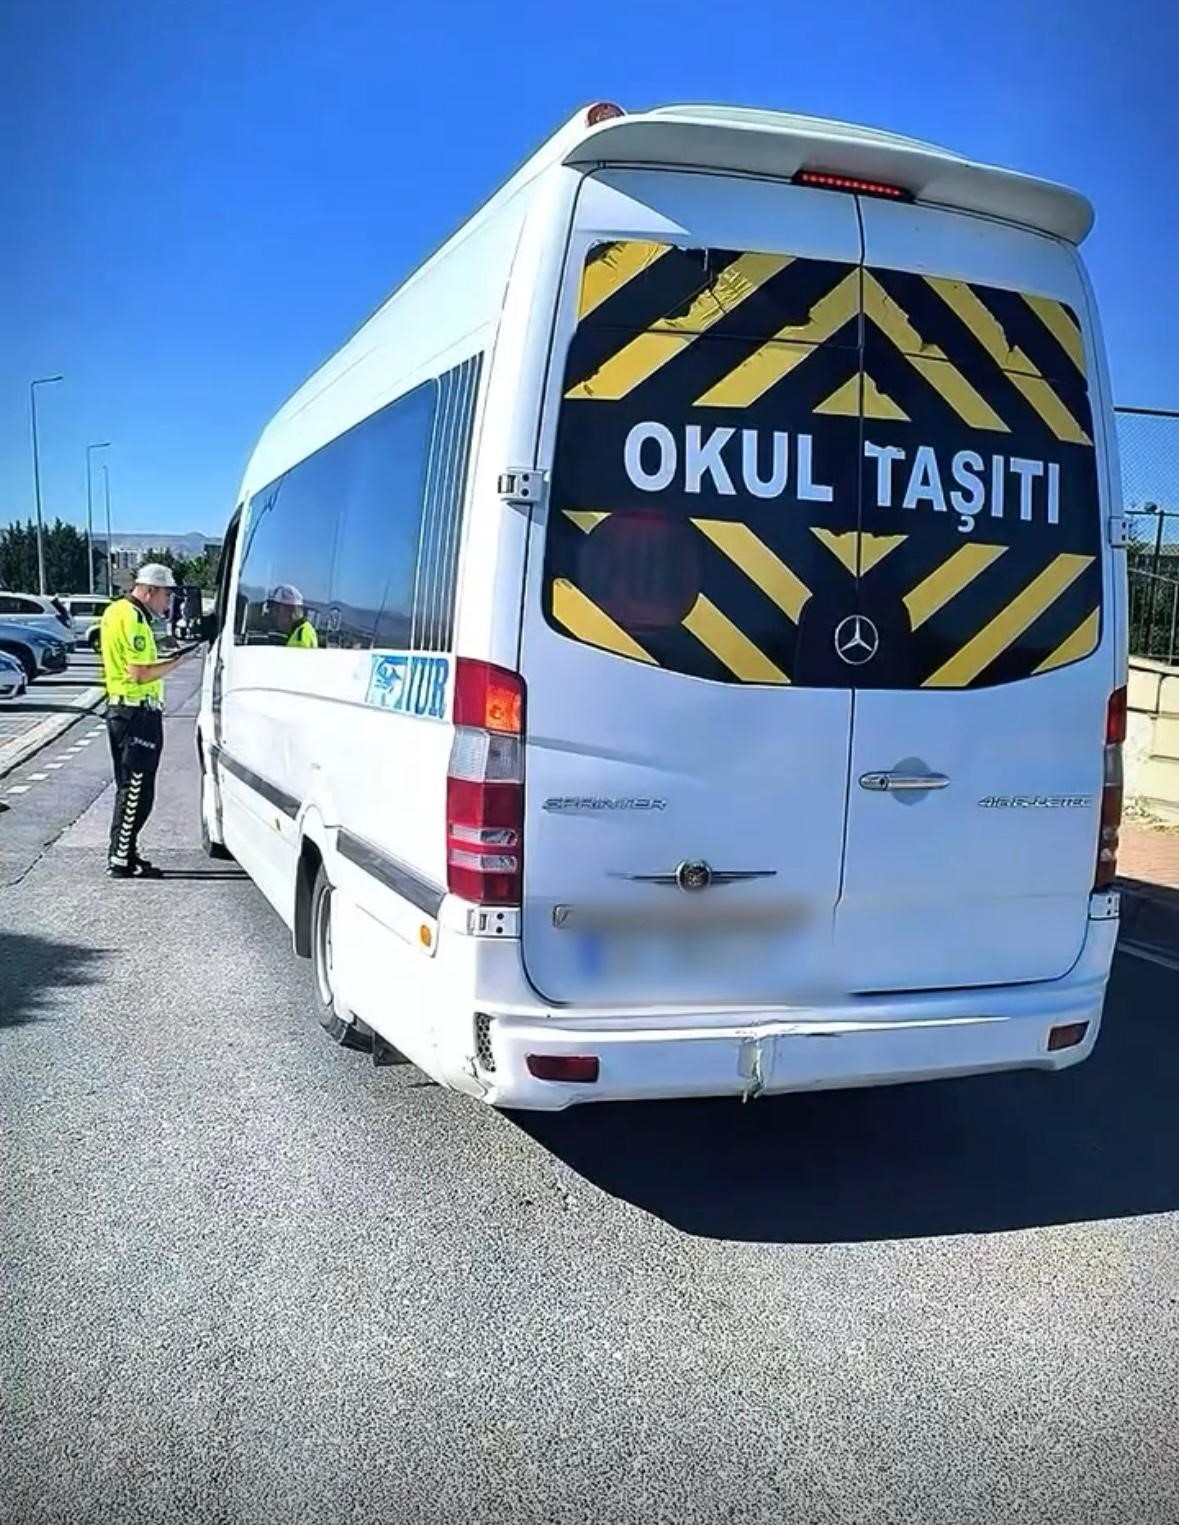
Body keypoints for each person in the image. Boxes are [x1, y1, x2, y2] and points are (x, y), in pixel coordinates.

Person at [98, 563, 190, 879]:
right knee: (137, 790)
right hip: (137, 713)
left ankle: (127, 852)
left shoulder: (116, 611)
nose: (167, 602)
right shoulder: (135, 618)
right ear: (150, 590)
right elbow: (139, 673)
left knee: (129, 786)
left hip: (122, 710)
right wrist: (178, 661)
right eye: (166, 595)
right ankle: (120, 857)